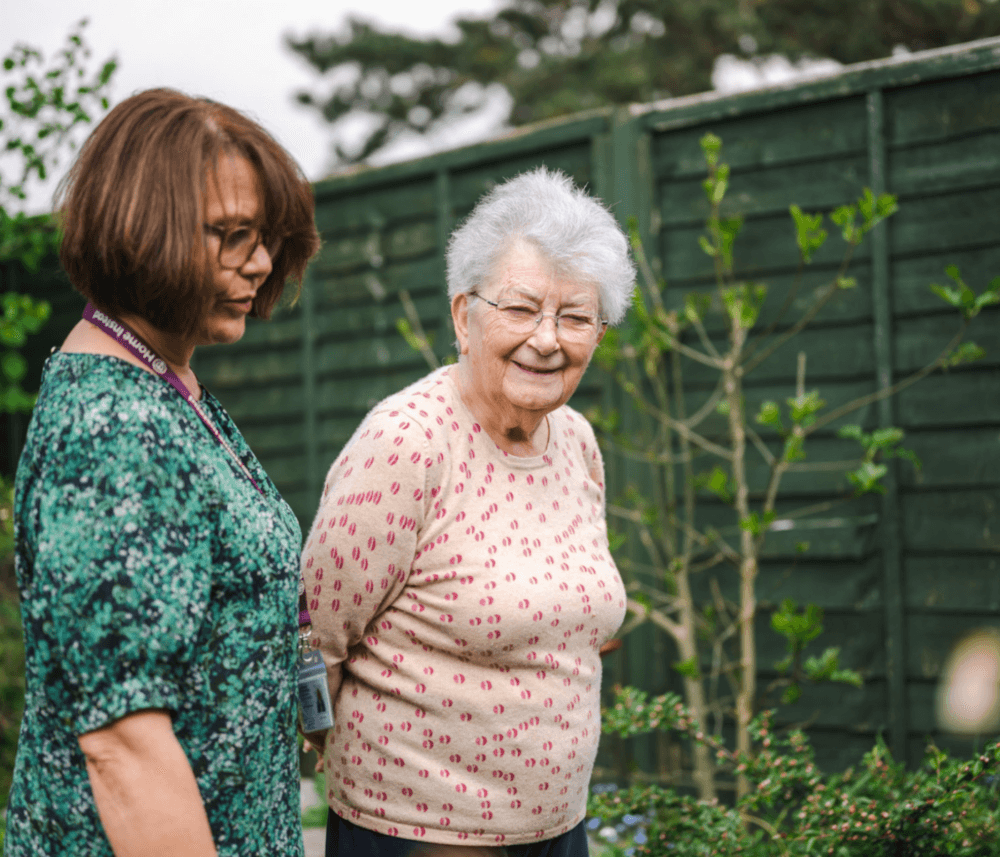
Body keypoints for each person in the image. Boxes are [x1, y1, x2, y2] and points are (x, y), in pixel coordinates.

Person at [4, 89, 320, 857]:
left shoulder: (164, 384)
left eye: (268, 236)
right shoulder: (112, 431)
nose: (262, 261)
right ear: (143, 228)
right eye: (231, 235)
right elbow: (124, 744)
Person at [300, 167, 635, 857]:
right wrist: (313, 754)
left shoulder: (576, 441)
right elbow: (318, 637)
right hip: (420, 834)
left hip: (559, 826)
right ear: (463, 314)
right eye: (520, 308)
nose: (548, 339)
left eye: (575, 317)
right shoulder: (406, 443)